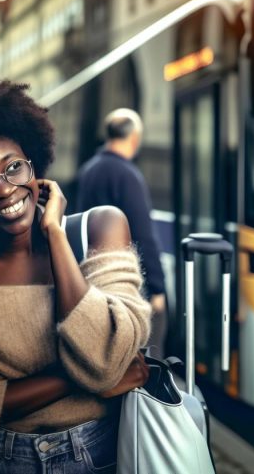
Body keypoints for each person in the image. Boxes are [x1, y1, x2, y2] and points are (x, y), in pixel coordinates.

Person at [0, 76, 151, 473]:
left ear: (33, 161)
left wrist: (54, 234)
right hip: (2, 461)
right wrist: (74, 381)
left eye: (13, 168)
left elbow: (104, 356)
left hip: (102, 455)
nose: (3, 190)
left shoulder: (101, 228)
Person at [76, 108, 168, 357]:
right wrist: (157, 288)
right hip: (124, 280)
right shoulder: (128, 175)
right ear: (134, 138)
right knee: (145, 353)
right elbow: (143, 234)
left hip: (92, 275)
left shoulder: (89, 170)